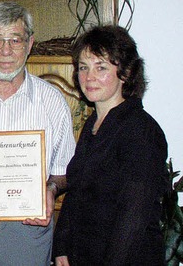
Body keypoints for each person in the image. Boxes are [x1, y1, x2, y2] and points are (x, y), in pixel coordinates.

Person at [0, 2, 76, 265]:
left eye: (15, 40)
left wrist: (51, 189)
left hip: (30, 230)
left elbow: (64, 170)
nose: (6, 51)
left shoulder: (52, 101)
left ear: (29, 44)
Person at [53, 25, 168, 265]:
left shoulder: (141, 131)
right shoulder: (92, 125)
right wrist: (61, 248)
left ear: (125, 73)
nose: (89, 77)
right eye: (83, 67)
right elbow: (76, 194)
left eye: (101, 67)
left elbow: (132, 220)